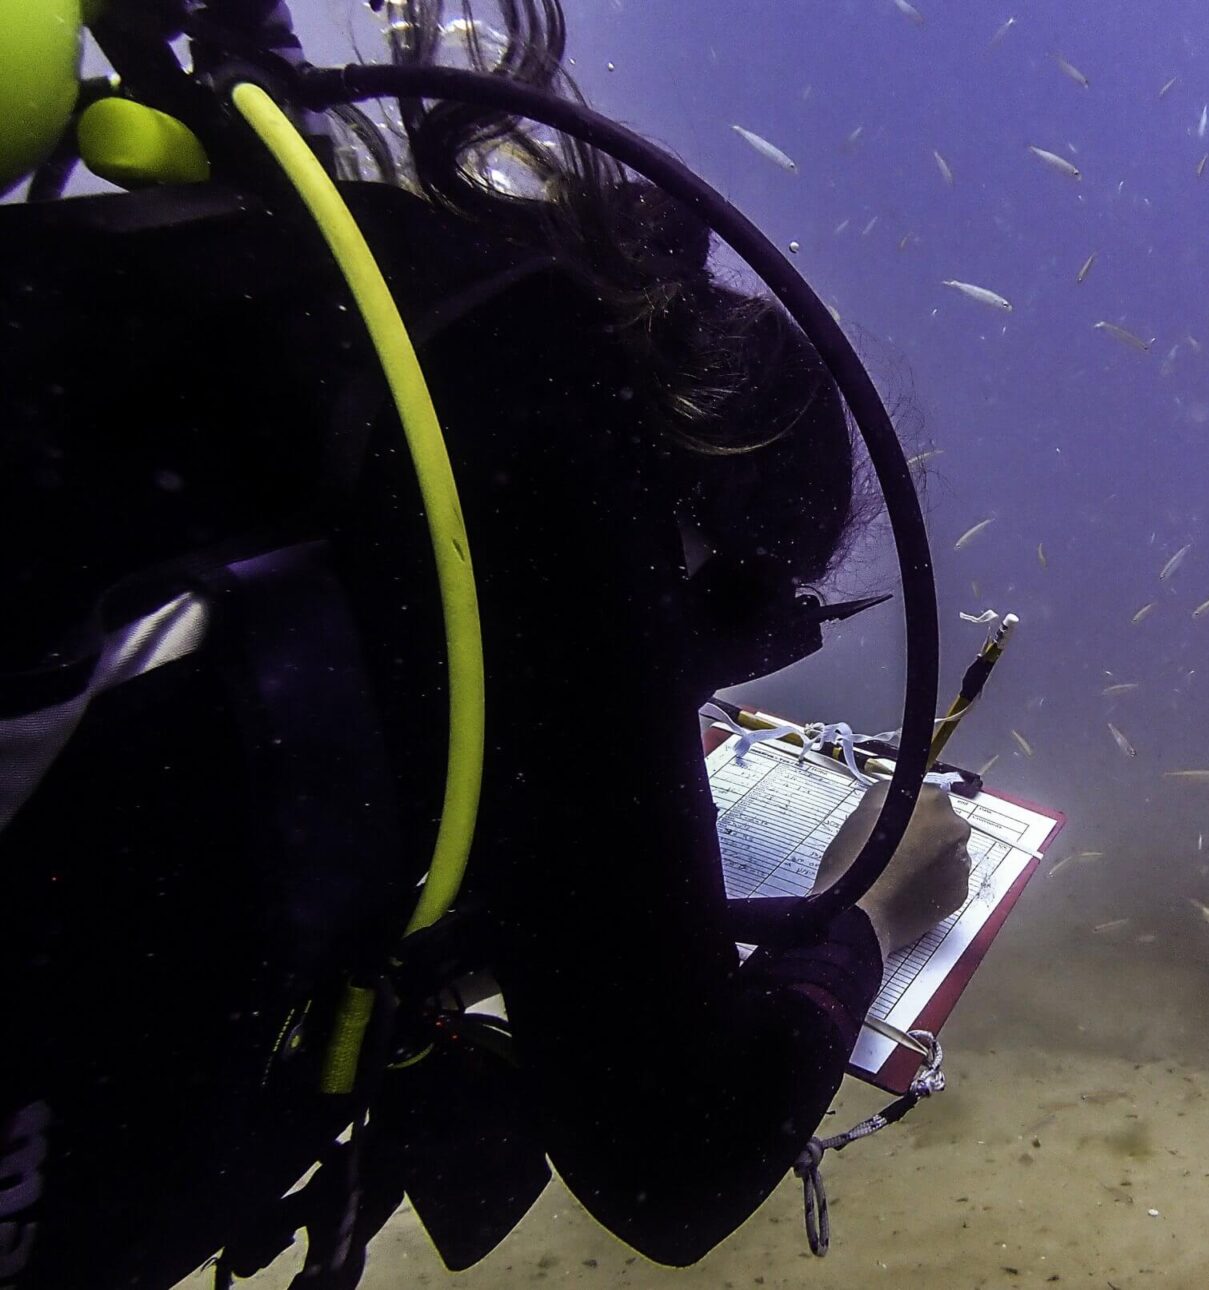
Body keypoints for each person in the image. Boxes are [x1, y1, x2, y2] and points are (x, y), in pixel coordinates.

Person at [0, 2, 969, 1286]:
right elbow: (672, 1163)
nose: (684, 672)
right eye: (729, 626)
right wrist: (869, 918)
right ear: (705, 525)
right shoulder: (557, 463)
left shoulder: (366, 310)